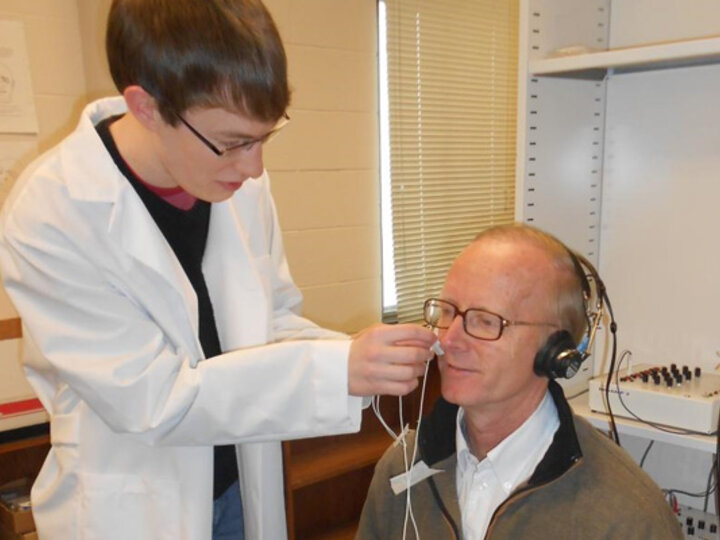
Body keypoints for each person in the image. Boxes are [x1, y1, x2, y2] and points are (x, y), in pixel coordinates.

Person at [0, 1, 436, 539]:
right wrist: (334, 371)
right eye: (233, 144)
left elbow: (268, 320)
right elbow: (154, 401)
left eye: (264, 137)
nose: (254, 169)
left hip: (237, 485)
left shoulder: (236, 179)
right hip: (139, 501)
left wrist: (358, 356)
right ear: (146, 107)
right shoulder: (53, 212)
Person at [357, 224, 682, 539]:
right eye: (447, 311)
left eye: (485, 321)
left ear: (555, 351)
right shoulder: (402, 469)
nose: (450, 339)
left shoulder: (625, 516)